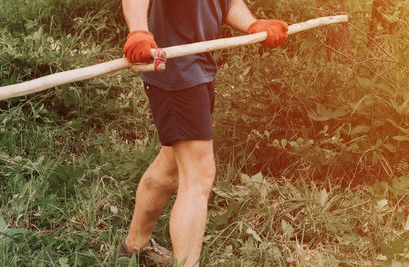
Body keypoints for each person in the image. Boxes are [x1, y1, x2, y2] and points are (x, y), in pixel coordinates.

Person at [120, 0, 288, 266]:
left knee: (171, 165)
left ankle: (134, 246)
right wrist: (139, 31)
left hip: (199, 69)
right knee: (199, 173)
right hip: (174, 71)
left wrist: (254, 25)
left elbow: (226, 3)